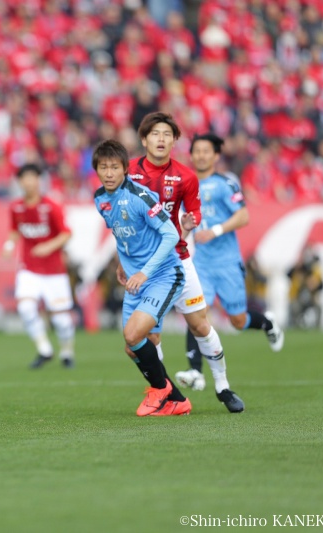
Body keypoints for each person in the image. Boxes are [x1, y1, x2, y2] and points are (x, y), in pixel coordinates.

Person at [124, 111, 243, 413]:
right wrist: (120, 260)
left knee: (200, 325)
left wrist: (190, 223)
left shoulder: (186, 176)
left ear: (175, 141)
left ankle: (223, 386)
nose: (161, 139)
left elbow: (194, 212)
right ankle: (168, 393)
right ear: (144, 139)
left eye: (167, 134)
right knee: (148, 335)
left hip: (177, 259)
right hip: (142, 265)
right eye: (155, 134)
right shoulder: (129, 173)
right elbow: (120, 219)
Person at [175, 133, 285, 391]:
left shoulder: (226, 183)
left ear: (215, 156)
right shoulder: (185, 185)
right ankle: (196, 373)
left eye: (206, 151)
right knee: (196, 314)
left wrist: (213, 231)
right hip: (201, 263)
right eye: (197, 151)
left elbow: (243, 216)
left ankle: (267, 323)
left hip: (227, 263)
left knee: (238, 320)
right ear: (191, 155)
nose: (201, 155)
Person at [92, 139, 189, 416]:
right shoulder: (100, 199)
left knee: (133, 335)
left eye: (114, 167)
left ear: (125, 168)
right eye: (103, 167)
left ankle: (160, 391)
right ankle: (178, 400)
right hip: (135, 279)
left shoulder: (140, 196)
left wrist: (145, 271)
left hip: (162, 275)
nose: (109, 173)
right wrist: (123, 264)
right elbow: (121, 232)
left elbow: (170, 234)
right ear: (96, 170)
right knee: (136, 348)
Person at [4, 163, 75, 369]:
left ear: (38, 181)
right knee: (25, 307)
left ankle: (67, 351)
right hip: (29, 268)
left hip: (54, 271)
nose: (28, 182)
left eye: (32, 178)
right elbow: (14, 230)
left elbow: (66, 233)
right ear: (19, 182)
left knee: (61, 320)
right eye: (24, 178)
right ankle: (44, 349)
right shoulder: (16, 207)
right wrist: (9, 245)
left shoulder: (51, 206)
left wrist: (48, 246)